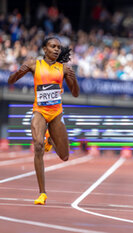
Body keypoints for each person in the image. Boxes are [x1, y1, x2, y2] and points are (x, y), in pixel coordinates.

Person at [8, 36, 79, 205]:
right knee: (38, 146)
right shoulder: (34, 64)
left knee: (65, 156)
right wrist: (20, 70)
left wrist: (73, 77)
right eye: (52, 46)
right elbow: (10, 81)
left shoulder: (63, 68)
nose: (56, 49)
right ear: (44, 49)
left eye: (58, 47)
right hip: (39, 111)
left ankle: (50, 139)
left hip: (56, 114)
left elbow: (75, 93)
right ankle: (42, 193)